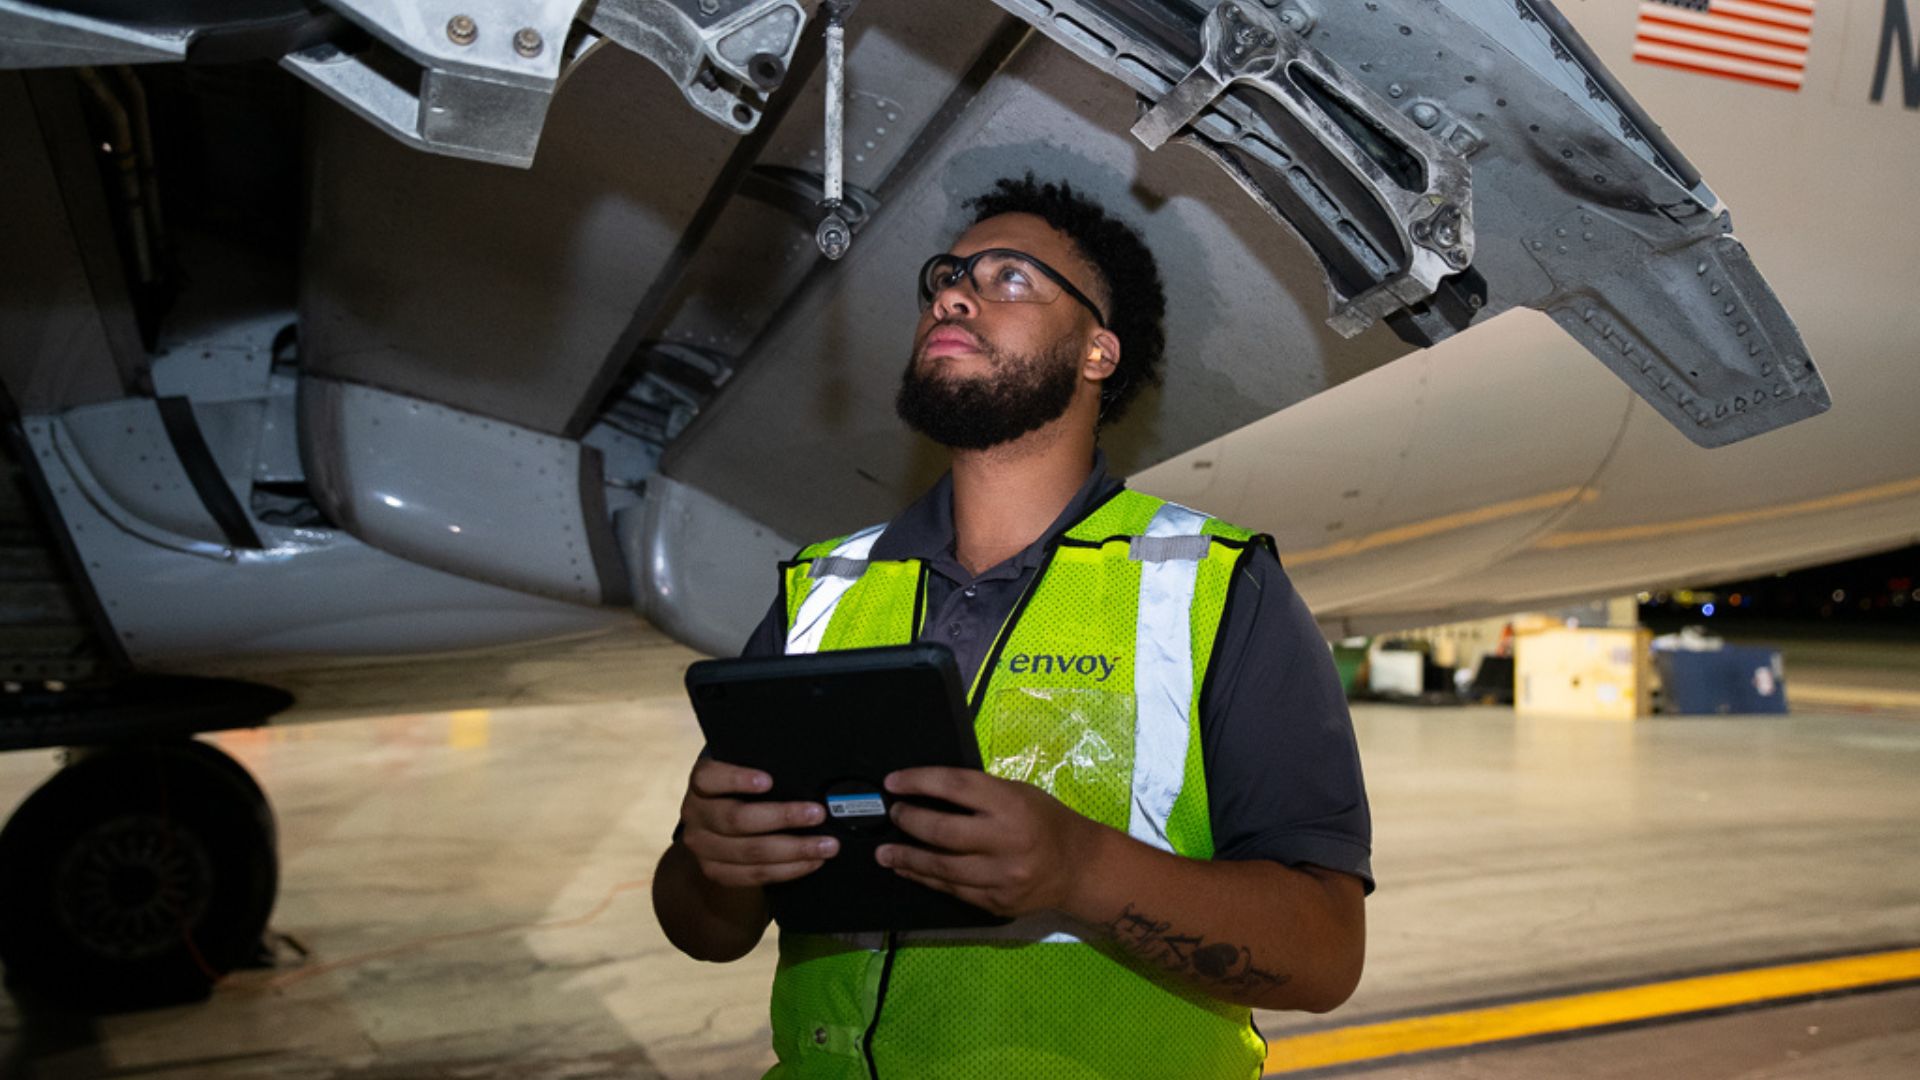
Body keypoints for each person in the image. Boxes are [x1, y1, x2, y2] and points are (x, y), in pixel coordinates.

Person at [651, 175, 1370, 1078]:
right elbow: (704, 929)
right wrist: (720, 862)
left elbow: (1327, 952)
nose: (952, 292)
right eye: (949, 276)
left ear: (1097, 352)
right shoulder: (822, 586)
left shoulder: (1216, 586)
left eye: (1010, 278)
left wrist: (1082, 870)